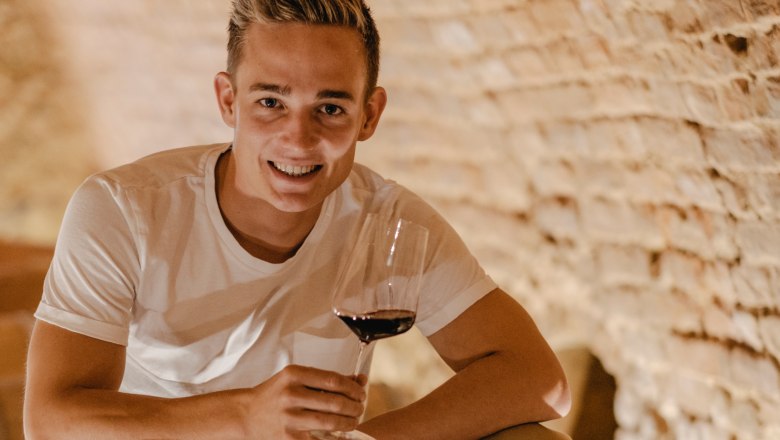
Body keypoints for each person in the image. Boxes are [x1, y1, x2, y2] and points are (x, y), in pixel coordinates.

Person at [23, 1, 571, 438]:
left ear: (369, 115)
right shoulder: (123, 208)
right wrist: (243, 418)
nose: (299, 139)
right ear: (228, 100)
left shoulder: (392, 225)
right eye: (271, 103)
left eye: (330, 108)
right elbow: (49, 423)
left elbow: (540, 380)